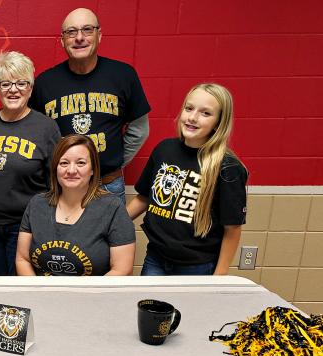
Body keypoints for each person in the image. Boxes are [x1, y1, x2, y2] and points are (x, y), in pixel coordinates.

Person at [29, 8, 150, 203]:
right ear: (62, 40)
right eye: (71, 32)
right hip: (62, 186)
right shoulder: (45, 82)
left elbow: (140, 129)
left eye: (87, 30)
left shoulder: (123, 75)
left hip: (108, 185)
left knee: (112, 234)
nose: (79, 37)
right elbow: (36, 135)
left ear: (99, 35)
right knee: (61, 235)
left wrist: (113, 162)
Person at [127, 83, 248, 276]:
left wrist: (220, 276)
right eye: (189, 108)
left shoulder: (227, 167)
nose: (192, 117)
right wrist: (111, 225)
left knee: (189, 308)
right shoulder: (164, 150)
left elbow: (232, 228)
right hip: (156, 258)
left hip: (197, 266)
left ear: (219, 122)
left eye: (205, 113)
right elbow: (144, 198)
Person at [0, 51, 60, 276]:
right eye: (5, 83)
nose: (13, 89)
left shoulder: (46, 128)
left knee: (20, 291)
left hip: (26, 228)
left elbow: (55, 183)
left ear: (30, 87)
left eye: (21, 83)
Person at [16, 134, 135, 276]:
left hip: (93, 296)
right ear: (55, 168)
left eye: (81, 163)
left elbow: (122, 270)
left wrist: (81, 297)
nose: (71, 170)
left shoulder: (112, 208)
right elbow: (23, 259)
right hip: (44, 295)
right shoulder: (37, 204)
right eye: (64, 163)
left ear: (93, 169)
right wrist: (41, 294)